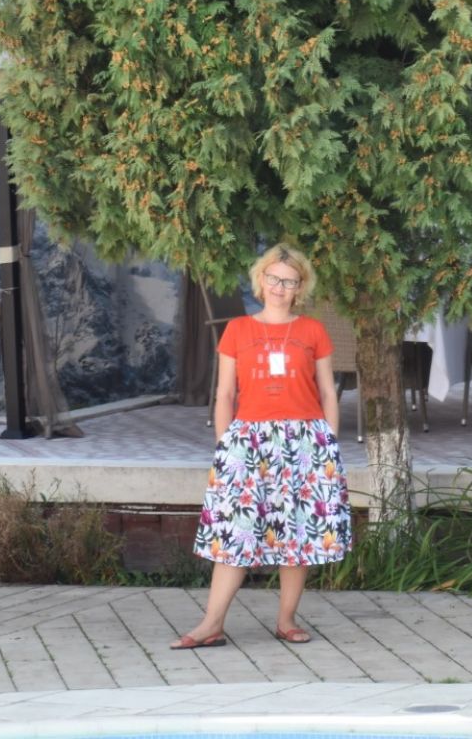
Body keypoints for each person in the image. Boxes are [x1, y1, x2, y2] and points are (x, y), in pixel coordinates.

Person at [171, 243, 351, 649]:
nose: (279, 287)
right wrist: (225, 446)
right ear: (260, 280)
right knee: (236, 534)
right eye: (273, 278)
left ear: (300, 287)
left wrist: (329, 445)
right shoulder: (238, 330)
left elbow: (328, 392)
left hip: (305, 442)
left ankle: (286, 621)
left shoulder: (313, 331)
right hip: (248, 441)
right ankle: (211, 624)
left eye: (289, 281)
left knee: (298, 533)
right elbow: (224, 394)